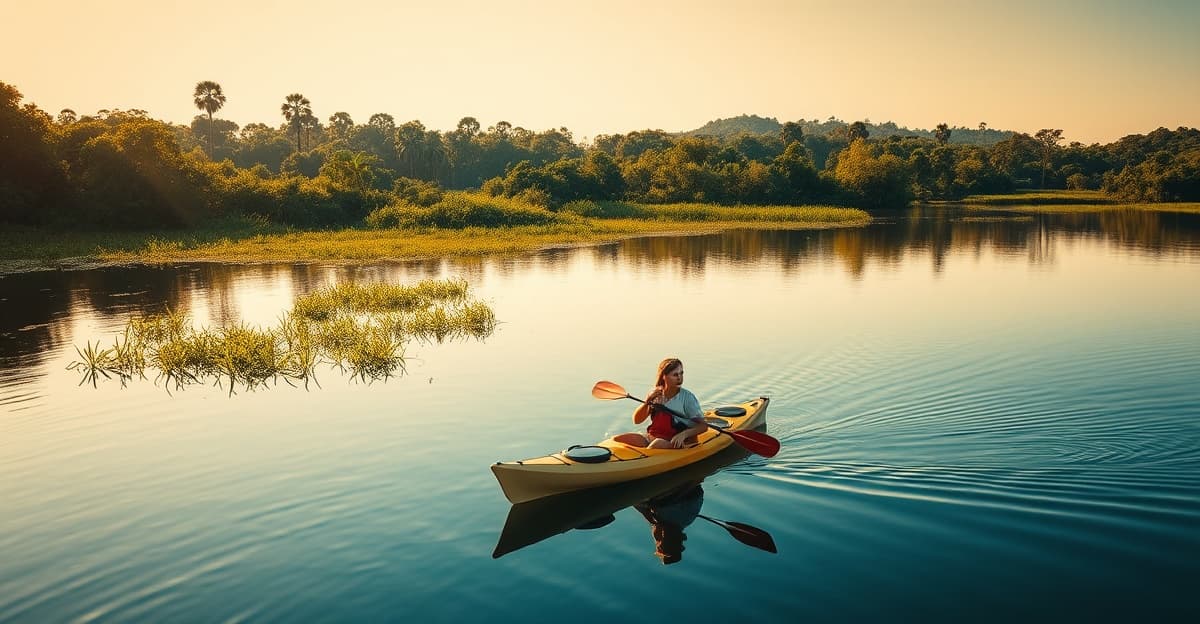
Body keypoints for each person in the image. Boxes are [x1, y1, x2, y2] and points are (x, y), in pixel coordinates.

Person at [630, 357, 708, 449]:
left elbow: (703, 426)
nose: (680, 378)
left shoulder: (688, 398)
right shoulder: (655, 394)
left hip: (678, 441)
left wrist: (683, 434)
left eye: (681, 373)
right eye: (675, 375)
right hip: (654, 437)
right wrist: (647, 402)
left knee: (657, 444)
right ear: (664, 376)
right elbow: (637, 421)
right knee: (619, 439)